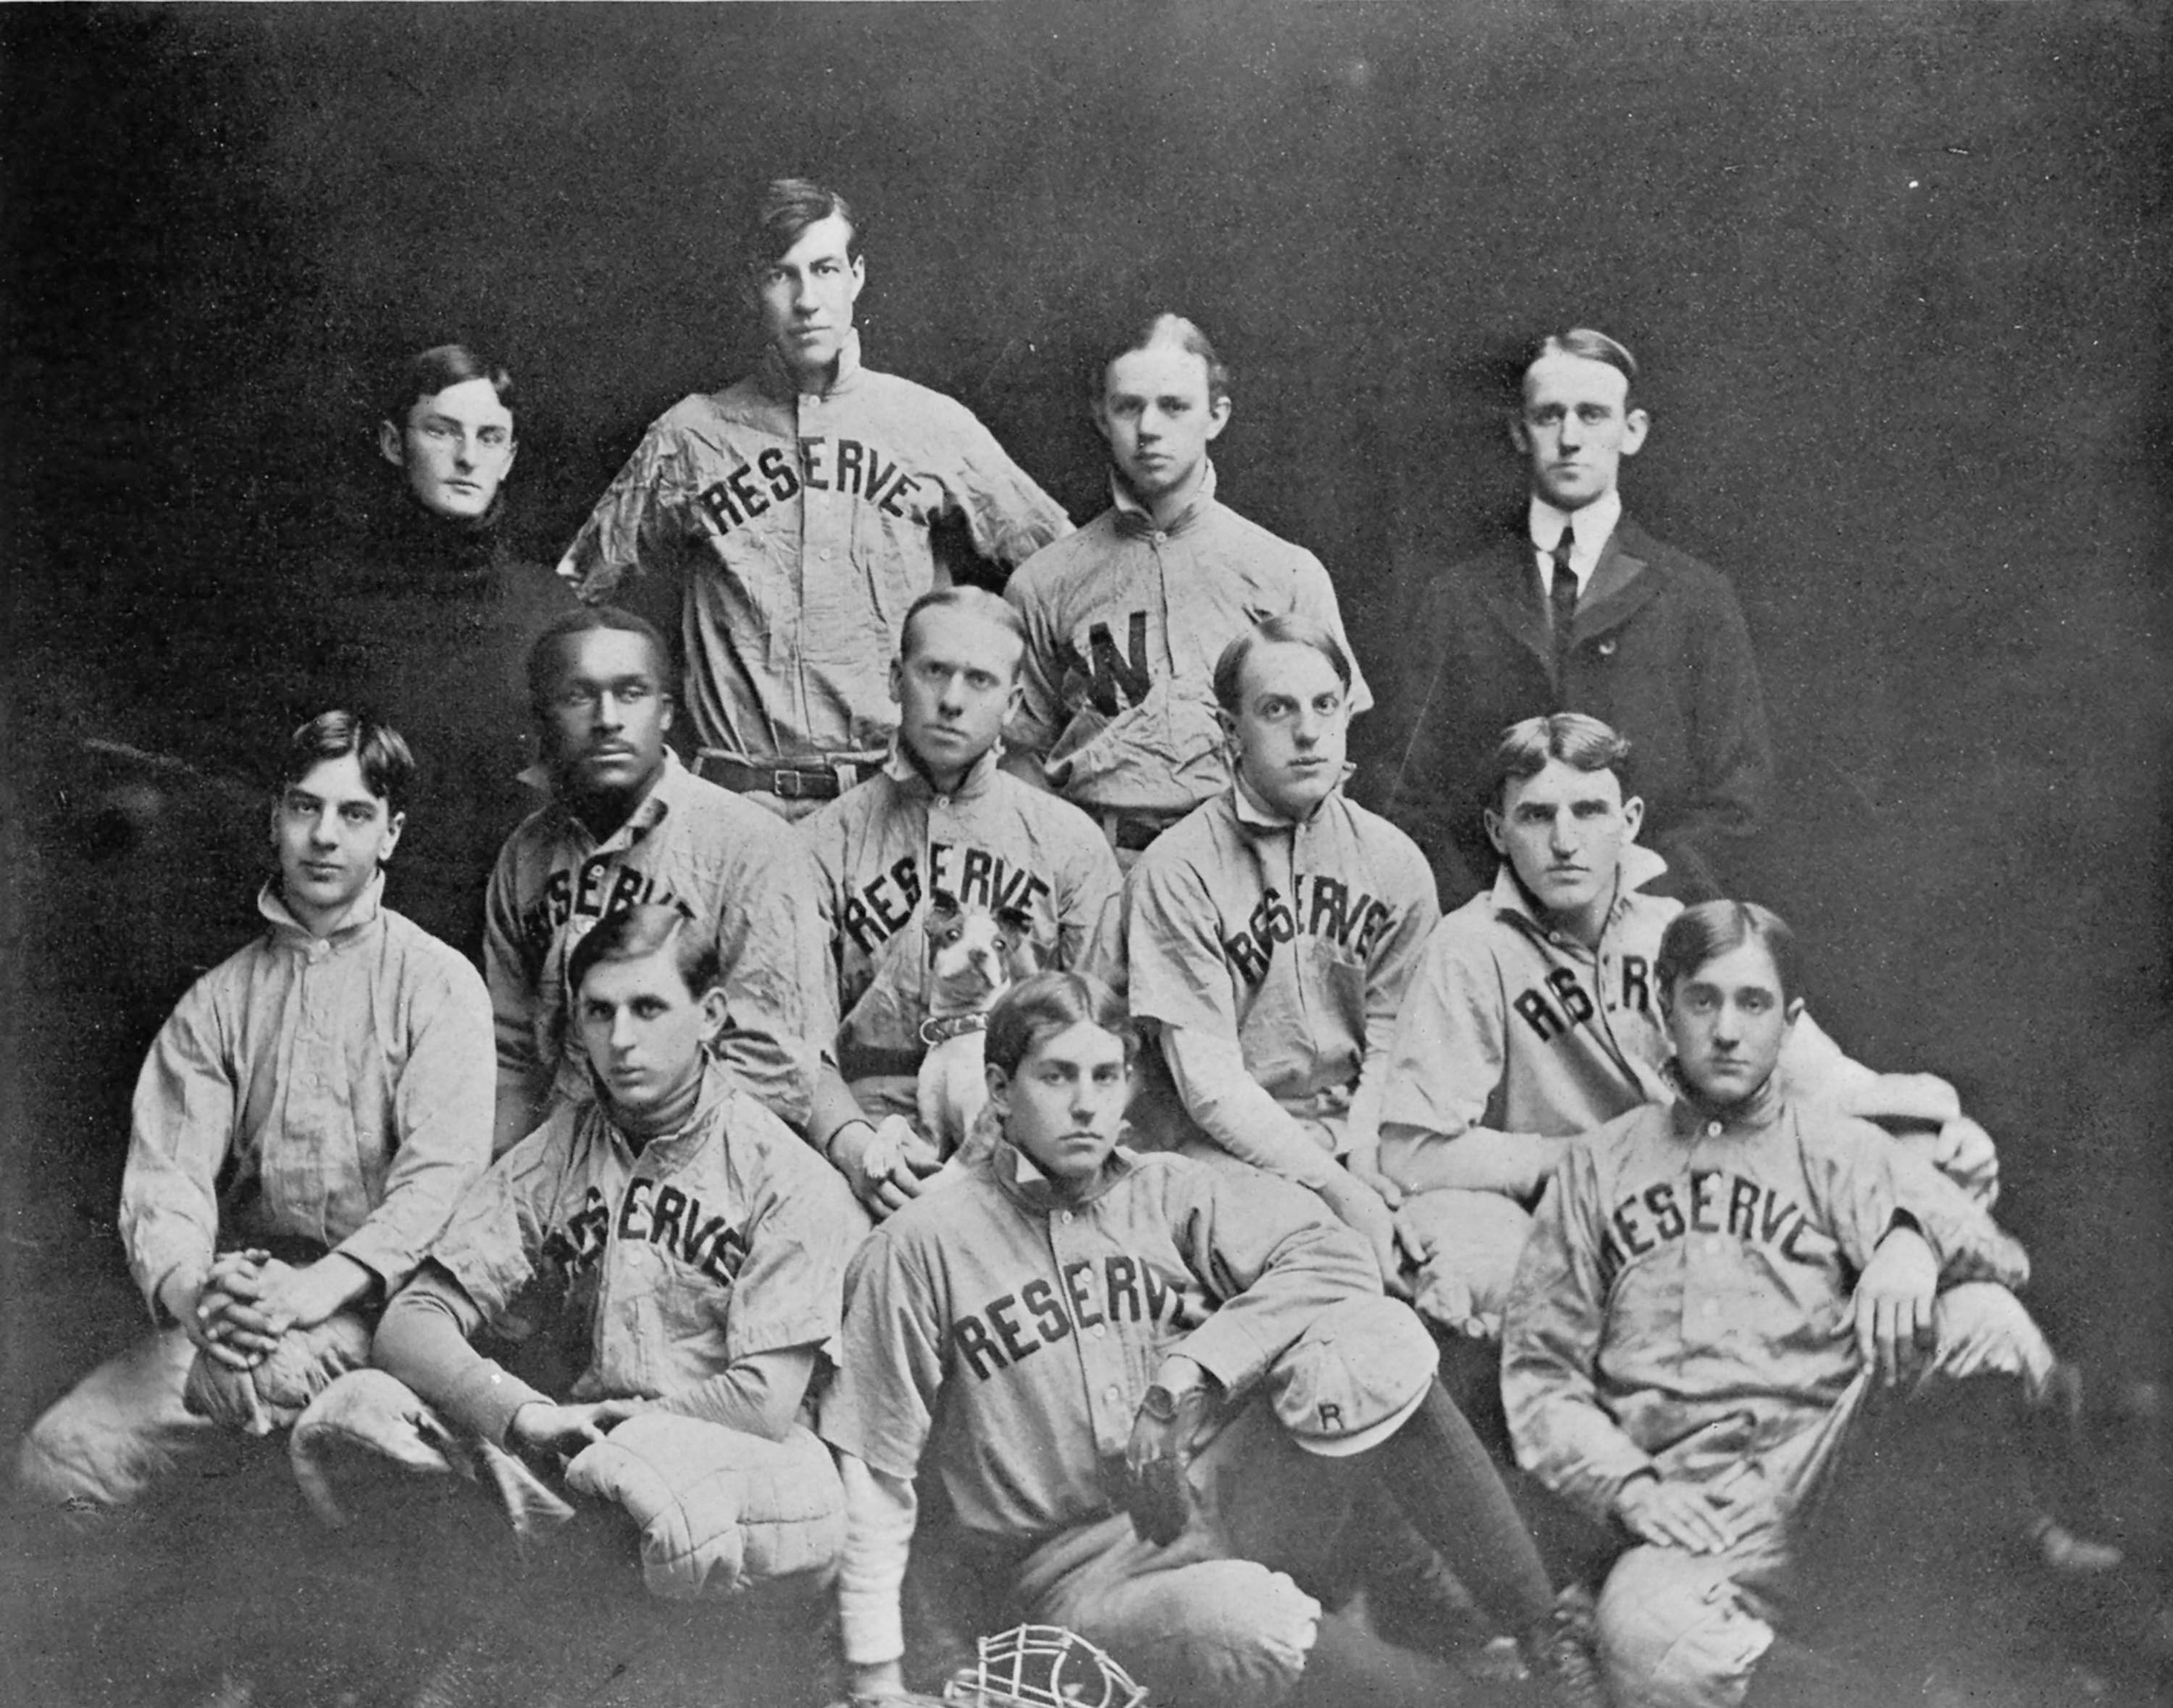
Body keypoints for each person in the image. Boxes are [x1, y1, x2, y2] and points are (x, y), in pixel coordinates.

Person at [821, 972, 1604, 1708]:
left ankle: (1544, 1636)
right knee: (1248, 1620)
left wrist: (1194, 1368)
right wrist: (878, 1681)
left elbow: (1330, 1256)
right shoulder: (920, 1247)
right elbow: (877, 1478)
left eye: (1106, 1076)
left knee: (1370, 1338)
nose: (1086, 1105)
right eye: (1056, 1077)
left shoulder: (1166, 1190)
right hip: (1075, 1581)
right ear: (999, 1090)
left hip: (1213, 1498)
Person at [1503, 902, 2111, 1708]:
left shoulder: (1833, 1144)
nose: (1726, 1030)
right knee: (1648, 1636)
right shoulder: (1596, 1172)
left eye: (1753, 1004)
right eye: (1703, 1000)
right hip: (1699, 1507)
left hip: (1840, 1470)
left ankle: (2048, 1552)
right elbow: (1541, 1377)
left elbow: (1995, 1248)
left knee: (1986, 1321)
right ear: (1664, 1009)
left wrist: (1911, 1241)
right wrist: (1632, 1489)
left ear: (1788, 1024)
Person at [1381, 713, 1997, 1346]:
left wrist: (1927, 1121)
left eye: (1590, 811)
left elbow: (1821, 1079)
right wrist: (1573, 1160)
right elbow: (1410, 1152)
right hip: (1567, 1224)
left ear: (1631, 822)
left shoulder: (1674, 928)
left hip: (1710, 1208)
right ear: (1498, 830)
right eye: (1537, 816)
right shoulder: (1469, 947)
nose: (1565, 841)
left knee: (1934, 1184)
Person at [17, 713, 493, 1510]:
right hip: (242, 1306)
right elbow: (165, 1181)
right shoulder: (219, 1001)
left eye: (354, 815)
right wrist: (194, 1297)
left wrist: (320, 1290)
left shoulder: (439, 988)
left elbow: (439, 1187)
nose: (323, 838)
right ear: (275, 818)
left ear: (391, 836)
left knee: (263, 1404)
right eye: (305, 808)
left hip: (387, 1314)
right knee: (62, 1453)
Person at [370, 903, 858, 1592]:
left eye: (649, 1008)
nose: (621, 1039)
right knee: (361, 1409)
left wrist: (608, 1435)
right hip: (581, 1449)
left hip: (752, 1476)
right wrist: (528, 1413)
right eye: (599, 1013)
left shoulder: (785, 1173)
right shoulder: (557, 1153)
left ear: (711, 1014)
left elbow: (761, 1401)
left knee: (642, 1490)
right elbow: (411, 1322)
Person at [555, 177, 1071, 819]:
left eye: (825, 269)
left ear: (857, 277)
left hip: (894, 805)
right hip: (739, 806)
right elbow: (574, 594)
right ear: (753, 290)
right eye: (781, 275)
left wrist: (1021, 744)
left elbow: (1069, 576)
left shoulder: (929, 423)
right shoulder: (691, 435)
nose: (806, 301)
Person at [1386, 327, 1773, 905]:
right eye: (1549, 417)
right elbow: (1404, 792)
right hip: (1487, 929)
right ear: (1520, 433)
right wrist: (1481, 905)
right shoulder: (1456, 599)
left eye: (1593, 415)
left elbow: (1739, 797)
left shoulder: (1697, 599)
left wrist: (1650, 892)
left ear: (1632, 431)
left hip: (1652, 925)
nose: (1570, 439)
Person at [1119, 616, 1435, 1291]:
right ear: (1229, 731)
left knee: (1453, 1263)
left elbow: (1392, 1042)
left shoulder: (1394, 861)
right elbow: (1211, 1088)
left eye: (1326, 707)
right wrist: (1341, 1192)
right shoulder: (1177, 869)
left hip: (1360, 1138)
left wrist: (1363, 1161)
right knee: (1334, 1270)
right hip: (1224, 1152)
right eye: (1276, 710)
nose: (1308, 732)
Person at [802, 587, 1121, 1220]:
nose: (951, 701)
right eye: (933, 672)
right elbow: (794, 1043)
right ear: (896, 680)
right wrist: (849, 1145)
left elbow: (1102, 1033)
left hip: (1026, 1145)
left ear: (1013, 701)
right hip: (864, 1146)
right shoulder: (821, 843)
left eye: (979, 680)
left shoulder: (1068, 844)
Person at [1005, 314, 1371, 858]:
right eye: (1129, 406)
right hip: (1104, 865)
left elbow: (1329, 746)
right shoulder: (1045, 581)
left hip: (1247, 864)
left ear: (1216, 415)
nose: (1149, 428)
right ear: (1102, 417)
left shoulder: (1286, 572)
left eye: (1174, 406)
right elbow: (1021, 756)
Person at [484, 607, 830, 1155]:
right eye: (578, 696)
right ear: (544, 718)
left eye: (631, 693)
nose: (607, 719)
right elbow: (511, 1058)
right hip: (559, 1170)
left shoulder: (750, 846)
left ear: (667, 712)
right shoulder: (526, 856)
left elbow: (772, 1065)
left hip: (706, 1170)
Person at [290, 343, 561, 958]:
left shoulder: (550, 610)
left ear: (511, 456)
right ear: (393, 443)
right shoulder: (330, 605)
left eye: (491, 438)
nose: (468, 457)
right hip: (359, 934)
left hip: (511, 938)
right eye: (442, 431)